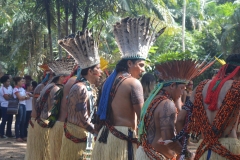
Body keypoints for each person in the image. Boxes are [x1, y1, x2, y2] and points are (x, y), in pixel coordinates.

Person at [92, 16, 166, 160]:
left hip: (104, 137)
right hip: (123, 139)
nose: (143, 70)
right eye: (141, 65)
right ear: (130, 63)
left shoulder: (108, 82)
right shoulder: (133, 83)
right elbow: (143, 118)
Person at [177, 54, 240, 159]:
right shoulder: (237, 89)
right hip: (229, 149)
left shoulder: (200, 87)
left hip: (204, 149)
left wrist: (184, 150)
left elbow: (180, 119)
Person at [58, 29, 102, 160]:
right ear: (90, 71)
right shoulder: (80, 88)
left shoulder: (87, 87)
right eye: (98, 68)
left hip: (83, 134)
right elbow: (82, 119)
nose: (100, 72)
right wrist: (98, 131)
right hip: (78, 135)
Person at [33, 58, 74, 160]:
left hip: (40, 122)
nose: (67, 80)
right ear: (62, 77)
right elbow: (54, 108)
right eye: (67, 78)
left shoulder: (48, 86)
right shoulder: (57, 89)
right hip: (46, 124)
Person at [25, 65, 53, 160]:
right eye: (52, 75)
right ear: (48, 76)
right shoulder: (41, 87)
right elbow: (36, 107)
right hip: (39, 121)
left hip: (43, 121)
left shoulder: (50, 87)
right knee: (39, 149)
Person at [13, 76, 30, 142]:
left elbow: (25, 96)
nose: (23, 83)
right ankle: (18, 136)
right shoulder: (15, 89)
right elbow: (20, 98)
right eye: (22, 81)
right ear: (18, 82)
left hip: (23, 105)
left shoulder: (22, 89)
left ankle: (22, 135)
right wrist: (25, 97)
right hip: (19, 105)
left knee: (23, 121)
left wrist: (24, 97)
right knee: (18, 121)